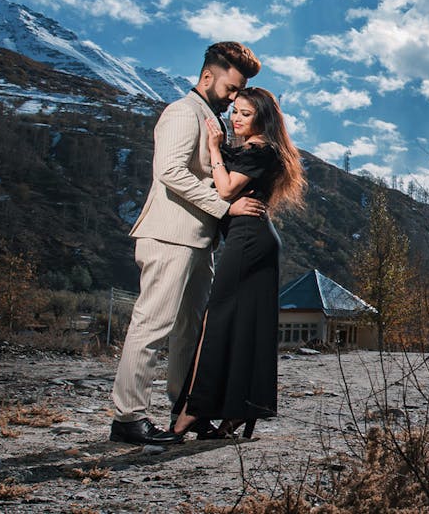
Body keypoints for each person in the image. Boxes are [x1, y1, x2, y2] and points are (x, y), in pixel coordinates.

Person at [110, 42, 265, 445]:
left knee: (189, 333)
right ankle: (128, 418)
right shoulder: (181, 112)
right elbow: (171, 173)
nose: (234, 99)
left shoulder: (211, 119)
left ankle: (186, 414)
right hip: (168, 236)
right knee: (152, 324)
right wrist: (224, 207)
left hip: (198, 240)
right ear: (208, 76)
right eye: (231, 89)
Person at [171, 86, 306, 439]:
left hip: (249, 240)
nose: (236, 119)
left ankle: (190, 411)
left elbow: (228, 189)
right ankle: (236, 413)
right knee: (243, 326)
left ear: (262, 116)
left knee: (215, 322)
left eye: (245, 113)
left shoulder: (262, 150)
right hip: (250, 239)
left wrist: (215, 150)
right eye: (235, 112)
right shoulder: (251, 149)